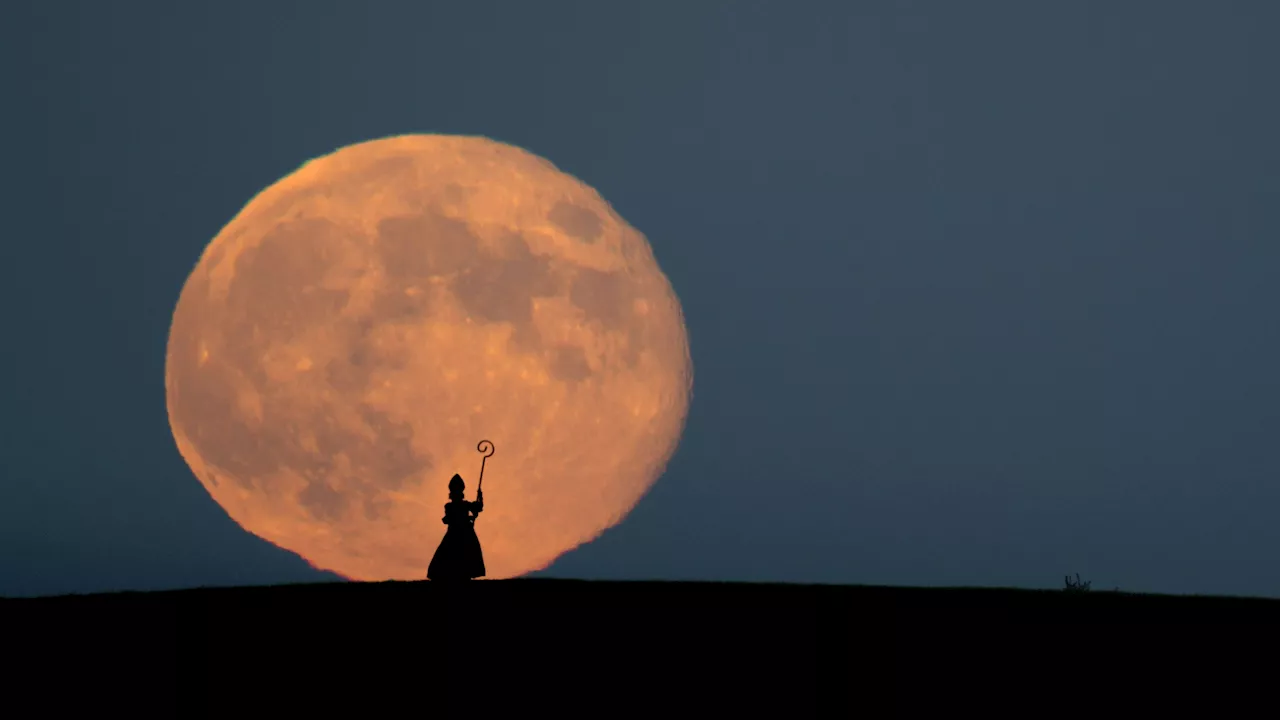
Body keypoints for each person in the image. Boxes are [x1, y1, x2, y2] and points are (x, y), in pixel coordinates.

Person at [426, 473, 486, 580]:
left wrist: (480, 496)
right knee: (454, 553)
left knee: (462, 554)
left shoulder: (464, 505)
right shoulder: (449, 506)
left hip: (462, 533)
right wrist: (469, 518)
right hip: (457, 533)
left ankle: (462, 575)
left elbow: (478, 508)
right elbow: (451, 518)